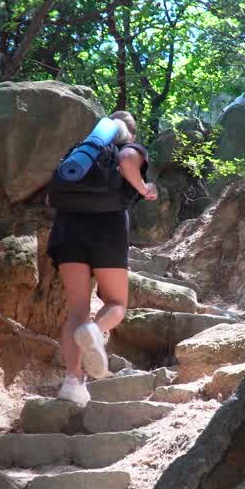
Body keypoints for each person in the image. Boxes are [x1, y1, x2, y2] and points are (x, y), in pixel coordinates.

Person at [48, 110, 157, 406]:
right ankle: (95, 331)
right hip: (107, 230)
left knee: (77, 309)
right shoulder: (128, 148)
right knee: (117, 304)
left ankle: (72, 383)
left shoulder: (81, 154)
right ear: (129, 134)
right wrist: (143, 187)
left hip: (67, 228)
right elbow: (127, 161)